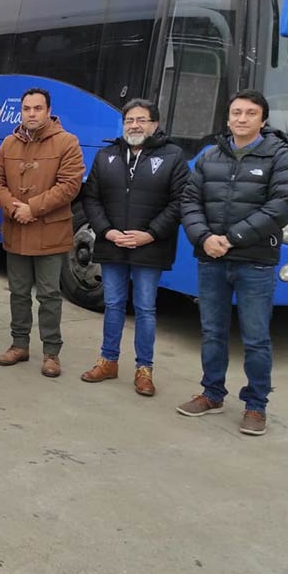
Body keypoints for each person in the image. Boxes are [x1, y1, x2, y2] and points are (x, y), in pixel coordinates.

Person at [178, 89, 288, 436]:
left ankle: (255, 405)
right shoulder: (209, 156)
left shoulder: (280, 157)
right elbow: (190, 200)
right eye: (236, 112)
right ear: (228, 117)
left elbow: (281, 206)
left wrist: (231, 239)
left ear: (262, 120)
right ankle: (212, 393)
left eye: (250, 113)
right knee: (212, 331)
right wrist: (204, 238)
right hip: (211, 259)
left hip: (255, 262)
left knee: (256, 337)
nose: (241, 119)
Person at [78, 99, 189, 395]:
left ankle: (144, 370)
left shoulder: (173, 156)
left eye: (141, 120)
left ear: (155, 124)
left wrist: (149, 234)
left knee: (145, 308)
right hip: (113, 243)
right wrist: (107, 231)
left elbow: (180, 202)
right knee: (113, 305)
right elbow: (91, 198)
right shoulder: (107, 155)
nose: (134, 125)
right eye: (129, 120)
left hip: (149, 247)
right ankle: (108, 361)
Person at [0, 87, 84, 377]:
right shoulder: (8, 143)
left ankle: (51, 352)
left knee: (49, 295)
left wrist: (32, 207)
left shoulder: (67, 143)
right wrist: (12, 206)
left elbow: (70, 185)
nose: (31, 114)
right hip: (16, 230)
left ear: (48, 110)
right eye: (26, 108)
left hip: (49, 234)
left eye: (37, 108)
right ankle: (19, 344)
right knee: (18, 292)